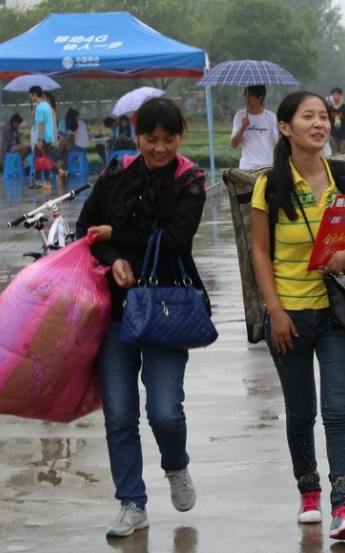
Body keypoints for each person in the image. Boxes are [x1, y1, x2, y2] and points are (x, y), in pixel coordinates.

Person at [75, 97, 209, 538]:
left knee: (165, 411)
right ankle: (132, 502)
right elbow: (87, 230)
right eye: (151, 139)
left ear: (180, 137)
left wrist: (120, 235)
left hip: (166, 308)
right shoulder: (115, 175)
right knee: (119, 415)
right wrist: (112, 256)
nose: (158, 148)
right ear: (137, 136)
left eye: (168, 139)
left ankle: (176, 466)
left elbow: (174, 240)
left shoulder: (190, 181)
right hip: (114, 311)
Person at [250, 91, 345, 541]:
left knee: (338, 410)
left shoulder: (343, 174)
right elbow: (260, 253)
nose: (319, 124)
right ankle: (309, 493)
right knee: (301, 411)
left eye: (324, 116)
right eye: (308, 117)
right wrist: (276, 311)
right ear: (286, 128)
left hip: (336, 312)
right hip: (290, 316)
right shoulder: (271, 184)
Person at [27, 86, 68, 188]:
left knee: (39, 160)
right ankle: (45, 183)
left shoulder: (40, 107)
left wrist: (40, 139)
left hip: (43, 137)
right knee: (42, 159)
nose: (31, 98)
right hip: (49, 137)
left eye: (31, 96)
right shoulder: (47, 106)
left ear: (35, 94)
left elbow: (41, 124)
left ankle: (60, 173)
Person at [230, 85, 279, 169]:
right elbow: (233, 144)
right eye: (245, 95)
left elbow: (279, 141)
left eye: (250, 96)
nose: (246, 99)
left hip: (267, 166)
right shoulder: (240, 116)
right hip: (247, 167)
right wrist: (242, 128)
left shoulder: (271, 117)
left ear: (260, 97)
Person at [327, 87, 345, 154]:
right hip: (332, 135)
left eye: (336, 94)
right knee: (334, 155)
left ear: (340, 96)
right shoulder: (329, 108)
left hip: (343, 135)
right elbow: (327, 122)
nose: (334, 96)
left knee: (343, 155)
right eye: (333, 95)